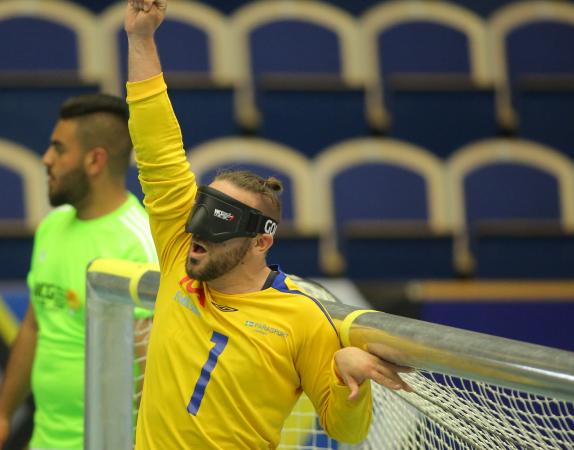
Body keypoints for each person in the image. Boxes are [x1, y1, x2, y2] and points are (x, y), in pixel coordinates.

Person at [124, 1, 413, 448]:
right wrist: (141, 40)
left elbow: (346, 430)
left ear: (261, 241)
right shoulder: (179, 252)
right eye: (201, 214)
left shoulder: (301, 318)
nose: (197, 232)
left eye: (220, 222)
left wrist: (351, 381)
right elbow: (157, 149)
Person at [0, 93, 157, 450]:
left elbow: (154, 364)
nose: (46, 159)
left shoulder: (139, 242)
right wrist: (1, 415)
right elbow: (34, 326)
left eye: (59, 149)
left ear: (95, 160)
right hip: (44, 441)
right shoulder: (52, 226)